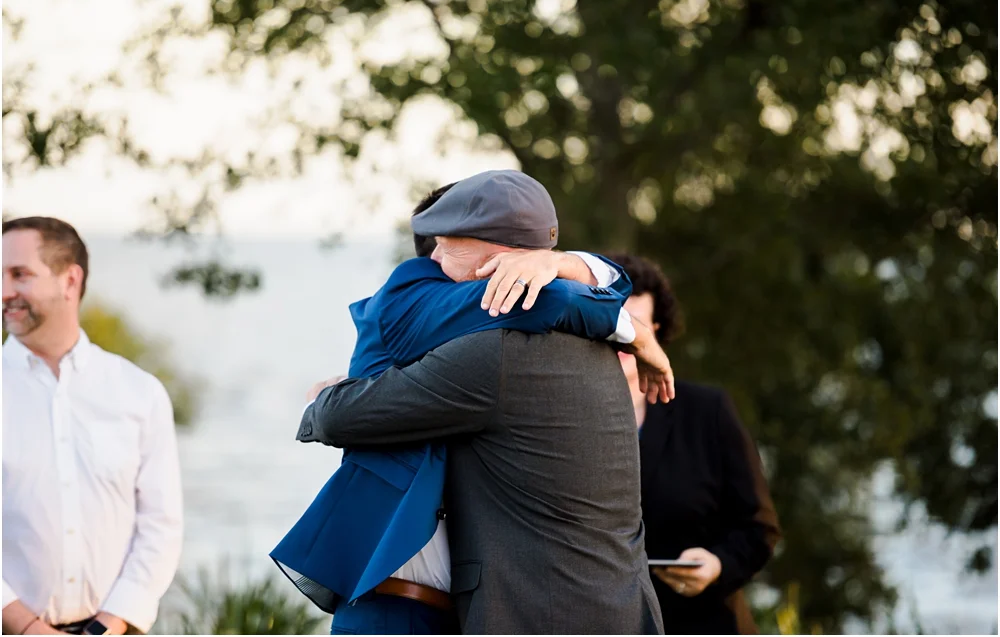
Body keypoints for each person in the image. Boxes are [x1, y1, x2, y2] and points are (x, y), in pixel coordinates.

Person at [274, 173, 672, 634]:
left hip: (539, 613)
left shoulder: (498, 349)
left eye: (448, 244)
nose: (433, 258)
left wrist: (333, 394)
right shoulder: (597, 347)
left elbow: (344, 416)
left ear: (505, 262)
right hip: (626, 608)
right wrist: (624, 322)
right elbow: (565, 296)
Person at [2, 217, 183, 636]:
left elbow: (160, 525)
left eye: (19, 274)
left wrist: (108, 625)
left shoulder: (140, 392)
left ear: (70, 280)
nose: (4, 291)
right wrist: (26, 627)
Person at [606, 252, 781, 635]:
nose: (625, 334)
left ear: (656, 329)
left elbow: (759, 527)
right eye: (612, 319)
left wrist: (718, 564)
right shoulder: (558, 416)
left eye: (635, 322)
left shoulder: (708, 411)